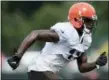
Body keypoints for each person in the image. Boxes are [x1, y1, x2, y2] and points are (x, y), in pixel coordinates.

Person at [7, 2, 107, 80]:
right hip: (39, 70)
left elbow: (82, 67)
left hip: (48, 73)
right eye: (88, 21)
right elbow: (35, 34)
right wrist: (18, 56)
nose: (91, 24)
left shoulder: (85, 40)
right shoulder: (66, 32)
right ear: (76, 19)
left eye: (92, 21)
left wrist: (96, 63)